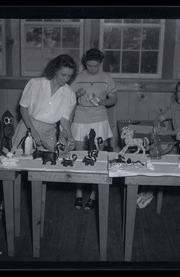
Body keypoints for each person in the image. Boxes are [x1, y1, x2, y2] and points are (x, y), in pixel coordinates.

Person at [136, 80, 180, 209]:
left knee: (161, 159)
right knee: (153, 155)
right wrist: (158, 128)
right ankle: (147, 190)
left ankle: (149, 192)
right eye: (178, 91)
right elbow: (159, 118)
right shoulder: (175, 107)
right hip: (176, 145)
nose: (179, 94)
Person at [70, 48, 117, 210]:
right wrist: (77, 94)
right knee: (78, 157)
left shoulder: (106, 78)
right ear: (85, 63)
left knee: (96, 157)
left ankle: (93, 196)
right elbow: (68, 97)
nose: (92, 69)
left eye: (95, 66)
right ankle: (78, 194)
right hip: (81, 118)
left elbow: (113, 98)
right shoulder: (78, 77)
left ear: (100, 63)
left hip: (99, 120)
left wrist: (103, 102)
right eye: (89, 66)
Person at [11, 54, 77, 154]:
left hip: (49, 132)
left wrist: (70, 136)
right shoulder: (35, 84)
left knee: (47, 163)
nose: (66, 79)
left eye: (69, 76)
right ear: (55, 70)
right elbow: (23, 108)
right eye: (63, 75)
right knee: (19, 159)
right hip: (27, 127)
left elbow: (64, 120)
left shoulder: (70, 94)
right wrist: (32, 131)